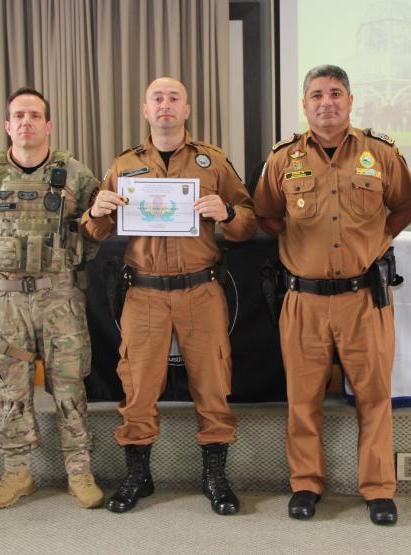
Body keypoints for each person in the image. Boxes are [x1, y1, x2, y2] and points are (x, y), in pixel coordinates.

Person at [253, 64, 411, 526]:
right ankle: (306, 484)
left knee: (374, 396)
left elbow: (405, 206)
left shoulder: (381, 153)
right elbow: (266, 215)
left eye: (335, 93)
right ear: (304, 104)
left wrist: (374, 243)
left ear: (350, 101)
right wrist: (296, 244)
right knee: (302, 398)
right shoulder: (283, 158)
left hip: (362, 298)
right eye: (316, 95)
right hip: (303, 300)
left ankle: (379, 489)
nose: (326, 102)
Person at [81, 77, 256, 516]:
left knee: (213, 385)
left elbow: (250, 222)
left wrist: (228, 212)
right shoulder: (123, 165)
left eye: (173, 98)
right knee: (137, 387)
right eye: (157, 98)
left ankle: (214, 476)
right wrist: (95, 211)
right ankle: (139, 474)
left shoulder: (212, 161)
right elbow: (93, 232)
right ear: (145, 110)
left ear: (187, 108)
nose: (165, 105)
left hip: (201, 289)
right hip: (144, 293)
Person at [0, 87, 104, 510]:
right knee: (12, 389)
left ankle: (80, 472)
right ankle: (17, 472)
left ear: (48, 125)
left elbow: (97, 229)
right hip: (6, 304)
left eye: (34, 115)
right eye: (18, 115)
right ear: (8, 126)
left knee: (69, 385)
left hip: (59, 298)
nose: (26, 121)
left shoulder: (76, 174)